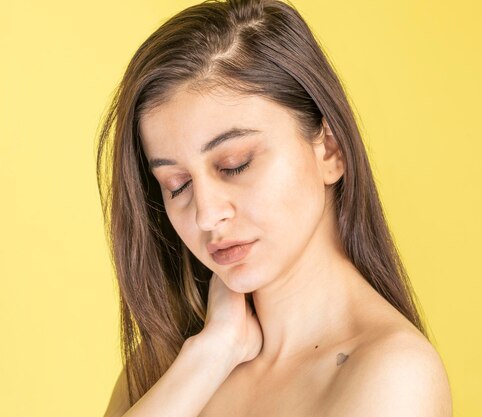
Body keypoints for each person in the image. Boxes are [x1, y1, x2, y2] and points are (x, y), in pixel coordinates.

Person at [95, 0, 452, 415]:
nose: (207, 215)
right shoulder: (166, 362)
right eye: (177, 185)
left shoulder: (393, 375)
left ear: (330, 149)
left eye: (235, 165)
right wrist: (213, 353)